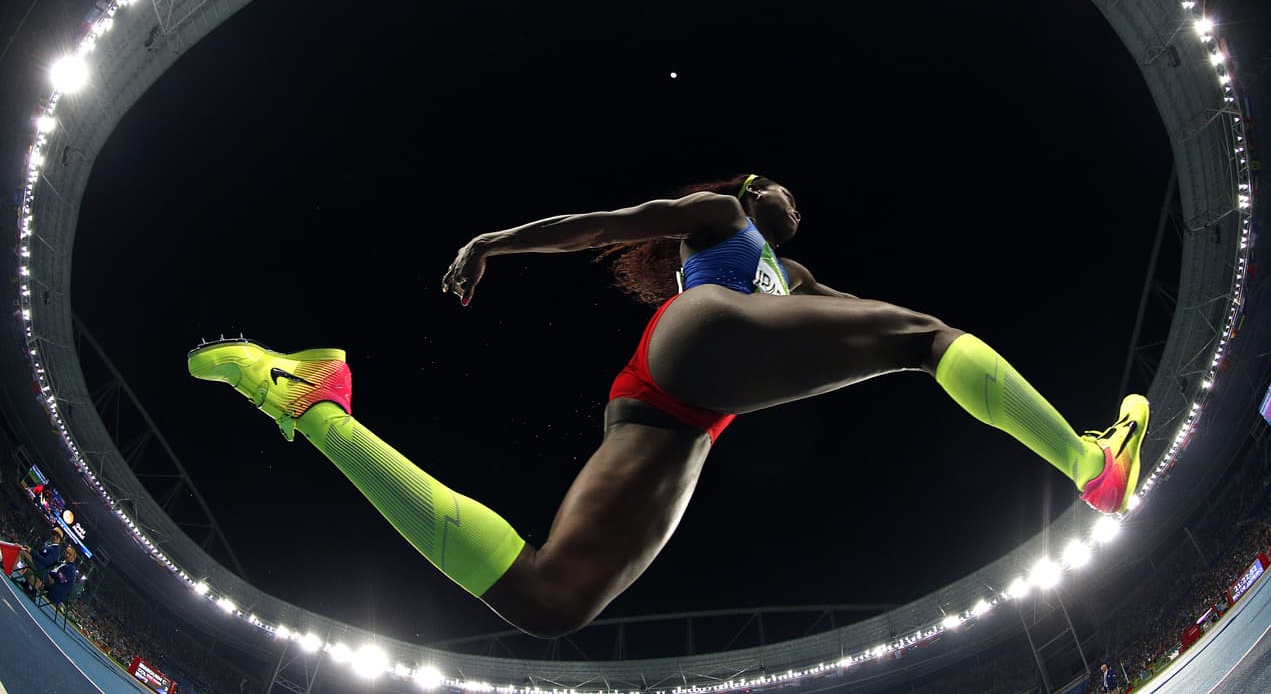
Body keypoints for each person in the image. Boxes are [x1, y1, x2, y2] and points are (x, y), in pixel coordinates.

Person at [189, 173, 1149, 638]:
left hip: (670, 415)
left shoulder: (798, 281)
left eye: (789, 193)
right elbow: (599, 225)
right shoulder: (719, 217)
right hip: (695, 340)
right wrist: (494, 241)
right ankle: (1088, 460)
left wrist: (833, 315)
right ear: (746, 194)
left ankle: (310, 400)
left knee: (550, 599)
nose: (785, 192)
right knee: (924, 338)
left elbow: (836, 329)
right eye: (770, 182)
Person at [15, 525, 63, 595]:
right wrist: (29, 550)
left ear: (60, 540)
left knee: (20, 550)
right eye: (53, 534)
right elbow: (38, 554)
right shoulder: (49, 545)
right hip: (37, 563)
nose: (54, 537)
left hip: (40, 567)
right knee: (22, 548)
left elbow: (46, 562)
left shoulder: (55, 551)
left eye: (57, 536)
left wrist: (31, 551)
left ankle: (10, 569)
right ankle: (28, 584)